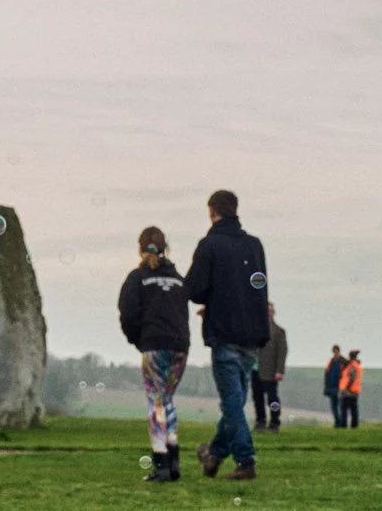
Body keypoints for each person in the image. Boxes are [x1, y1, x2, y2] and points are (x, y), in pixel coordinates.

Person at [186, 189, 270, 482]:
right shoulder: (254, 246)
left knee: (232, 403)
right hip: (251, 333)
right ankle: (214, 454)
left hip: (224, 332)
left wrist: (213, 301)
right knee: (236, 401)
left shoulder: (209, 245)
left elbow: (195, 290)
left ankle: (245, 460)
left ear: (212, 211)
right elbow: (257, 287)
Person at [117, 225, 191, 481]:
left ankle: (161, 460)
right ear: (164, 248)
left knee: (156, 401)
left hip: (153, 344)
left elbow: (128, 313)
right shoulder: (179, 279)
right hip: (180, 346)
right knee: (167, 399)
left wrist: (137, 339)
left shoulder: (137, 278)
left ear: (140, 248)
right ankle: (174, 455)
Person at [253, 303, 288, 432]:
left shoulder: (278, 331)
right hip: (255, 369)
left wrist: (279, 370)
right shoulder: (254, 329)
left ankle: (274, 421)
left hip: (270, 370)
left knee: (272, 398)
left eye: (270, 311)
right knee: (257, 398)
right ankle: (260, 421)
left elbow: (282, 352)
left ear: (273, 313)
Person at [335, 350, 362, 429]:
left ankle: (344, 425)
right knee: (354, 410)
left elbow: (351, 377)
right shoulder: (357, 365)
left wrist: (347, 388)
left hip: (347, 391)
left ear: (350, 357)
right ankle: (354, 426)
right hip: (355, 391)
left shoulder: (351, 365)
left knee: (344, 410)